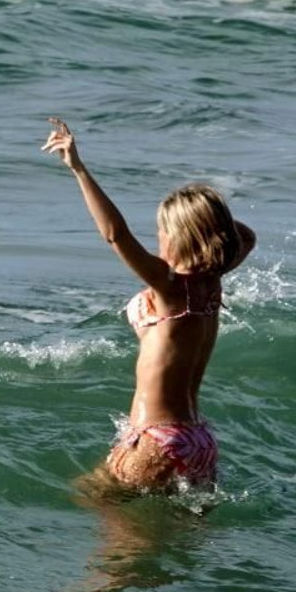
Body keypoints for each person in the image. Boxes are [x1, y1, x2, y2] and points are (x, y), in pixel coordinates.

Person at [41, 117, 255, 494]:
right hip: (199, 441)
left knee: (104, 523)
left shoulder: (169, 286)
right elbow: (246, 237)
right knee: (182, 544)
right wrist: (209, 218)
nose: (157, 236)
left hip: (158, 438)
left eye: (162, 229)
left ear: (179, 235)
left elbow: (115, 234)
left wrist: (79, 170)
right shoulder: (212, 282)